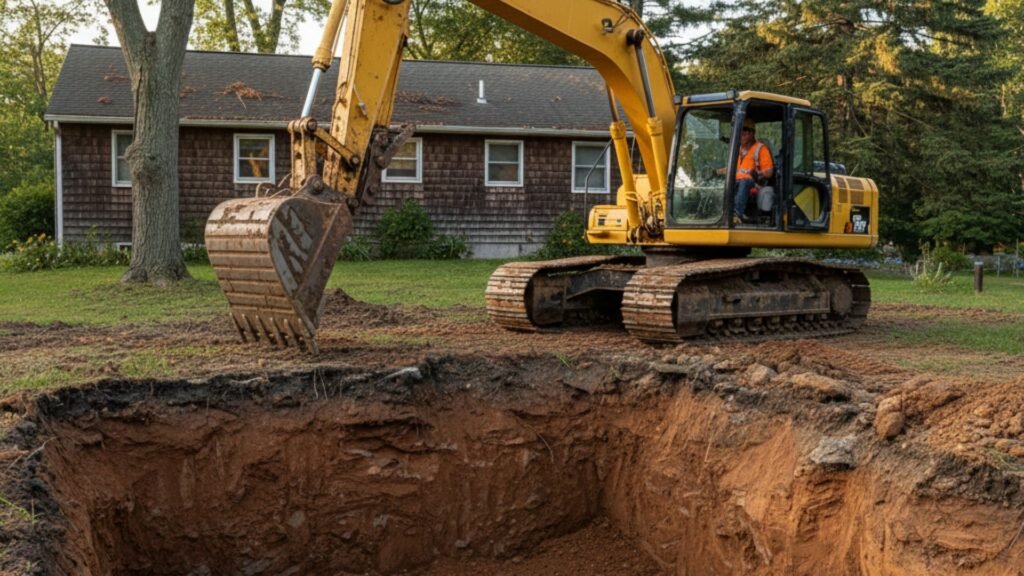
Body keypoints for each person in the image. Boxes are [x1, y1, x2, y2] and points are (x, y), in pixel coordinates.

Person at [717, 118, 774, 225]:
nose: (742, 135)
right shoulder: (737, 150)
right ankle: (718, 213)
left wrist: (758, 174)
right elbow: (732, 169)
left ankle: (736, 214)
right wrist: (715, 172)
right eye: (740, 133)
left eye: (745, 132)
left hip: (755, 182)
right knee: (723, 183)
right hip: (737, 181)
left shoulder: (761, 149)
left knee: (745, 181)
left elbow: (769, 172)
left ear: (752, 133)